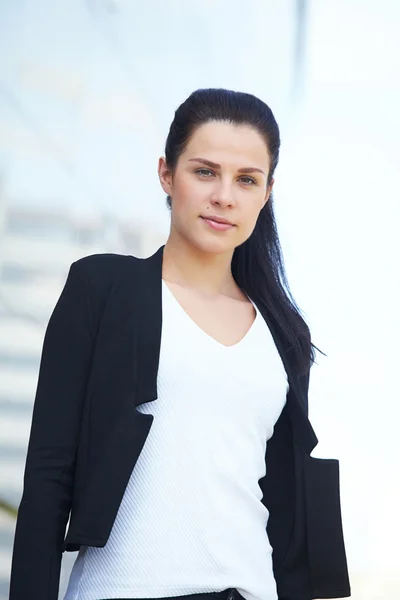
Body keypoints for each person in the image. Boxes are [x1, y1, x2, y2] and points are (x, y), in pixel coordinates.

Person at [9, 88, 351, 600]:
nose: (224, 197)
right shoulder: (102, 289)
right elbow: (48, 476)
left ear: (268, 192)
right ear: (167, 173)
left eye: (247, 180)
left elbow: (286, 500)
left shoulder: (282, 333)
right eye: (205, 171)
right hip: (124, 589)